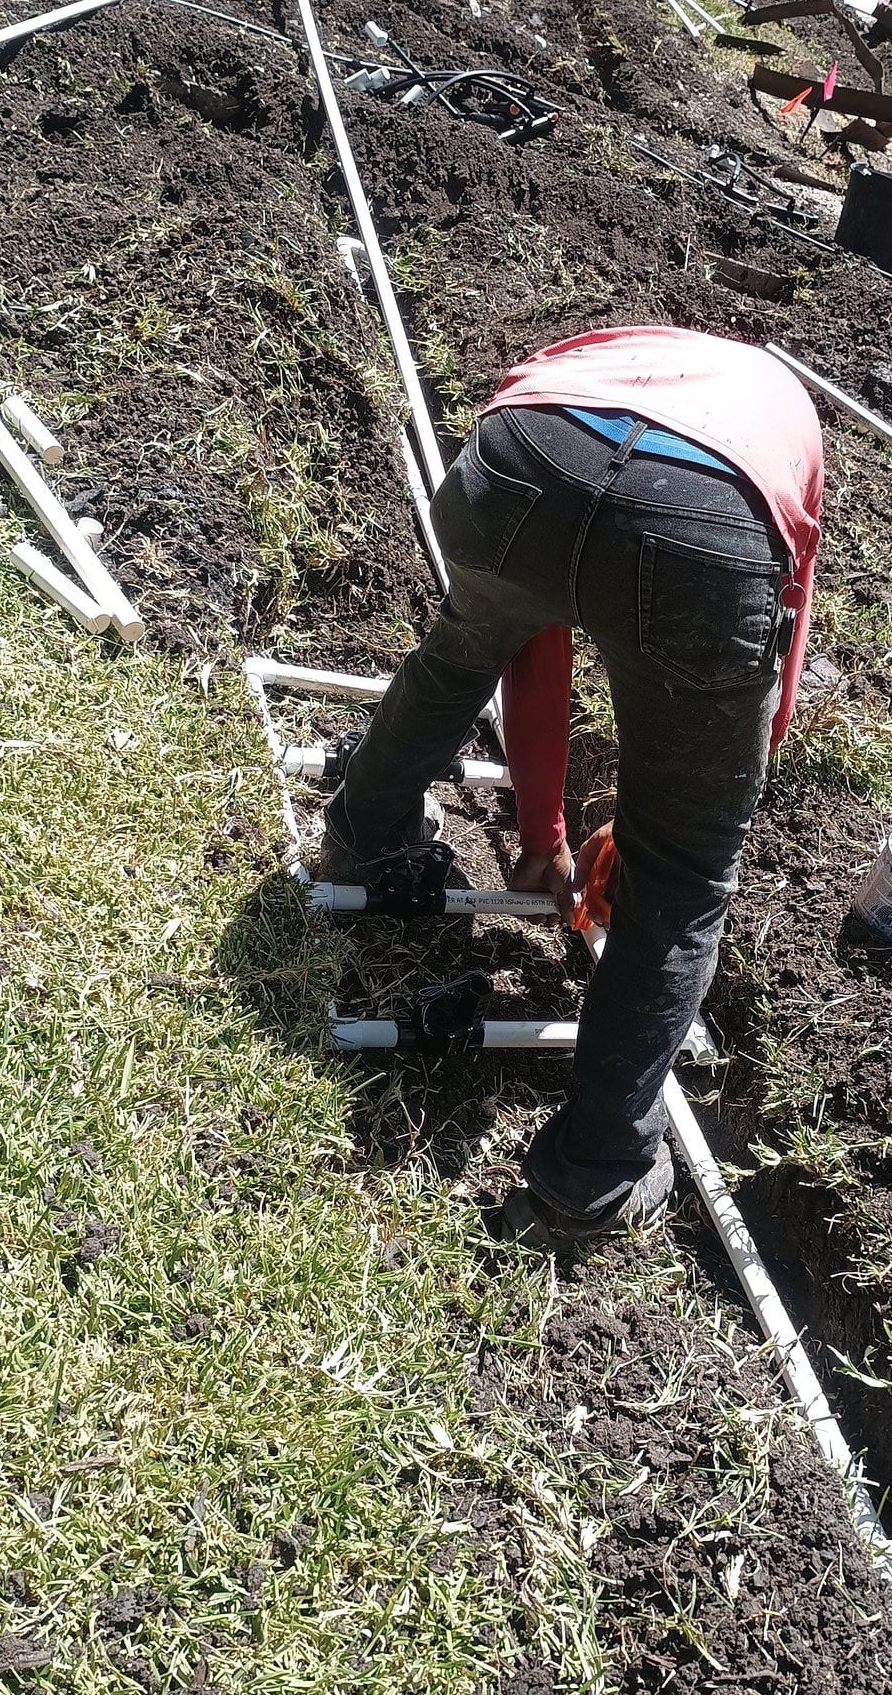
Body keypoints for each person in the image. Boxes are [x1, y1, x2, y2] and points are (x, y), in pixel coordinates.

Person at [319, 326, 825, 1246]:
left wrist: (549, 830)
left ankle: (367, 826)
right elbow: (765, 700)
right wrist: (643, 840)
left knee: (469, 642)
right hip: (703, 528)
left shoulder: (591, 358)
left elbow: (532, 643)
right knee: (686, 876)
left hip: (522, 462)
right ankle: (595, 1170)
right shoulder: (785, 421)